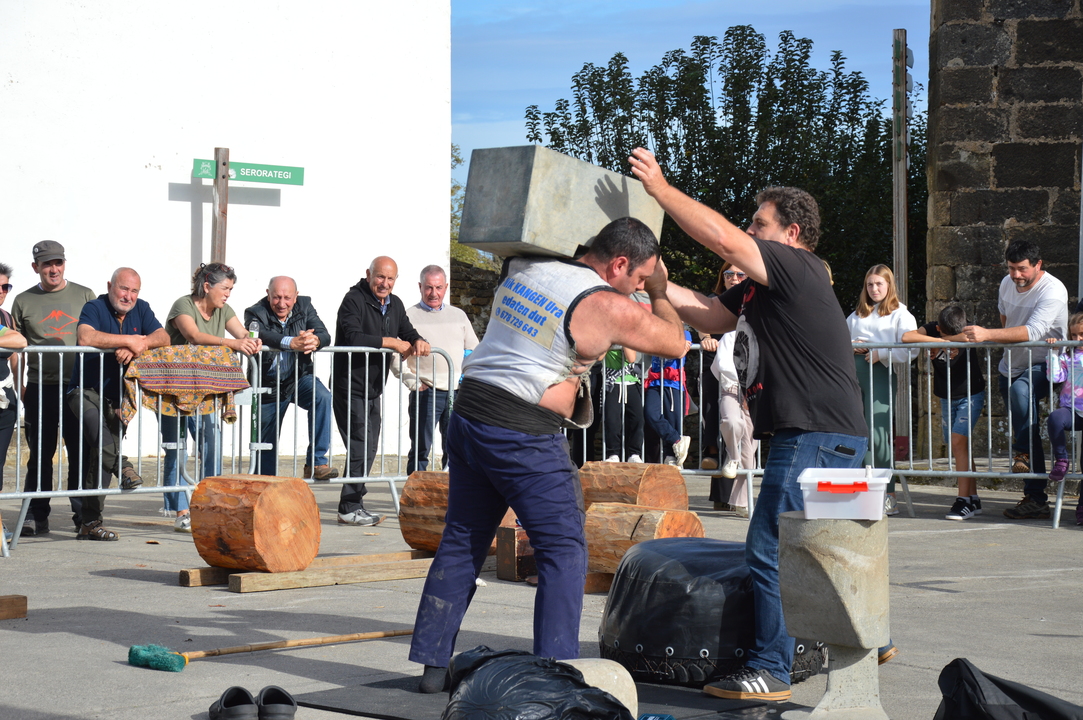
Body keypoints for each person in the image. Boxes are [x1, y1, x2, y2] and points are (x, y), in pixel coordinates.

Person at [409, 216, 687, 693]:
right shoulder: (606, 304)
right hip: (521, 432)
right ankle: (554, 676)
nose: (640, 287)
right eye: (639, 277)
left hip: (469, 415)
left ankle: (432, 666)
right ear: (619, 264)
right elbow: (676, 342)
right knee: (563, 549)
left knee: (463, 539)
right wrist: (661, 291)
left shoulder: (525, 267)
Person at [629, 147, 868, 702]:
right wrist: (657, 287)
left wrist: (661, 190)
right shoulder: (765, 286)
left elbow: (725, 241)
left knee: (771, 547)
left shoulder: (796, 265)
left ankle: (770, 670)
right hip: (835, 435)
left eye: (760, 224)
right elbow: (712, 313)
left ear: (791, 232)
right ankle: (867, 640)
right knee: (826, 549)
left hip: (811, 434)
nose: (750, 231)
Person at [961, 239, 1067, 520]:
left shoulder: (1053, 290)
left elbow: (1032, 332)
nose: (1016, 275)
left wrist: (987, 334)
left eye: (1022, 269)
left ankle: (1022, 456)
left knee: (1021, 393)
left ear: (1038, 265)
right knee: (1026, 427)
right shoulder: (1006, 283)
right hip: (1011, 365)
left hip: (1046, 363)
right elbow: (1006, 318)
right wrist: (1003, 340)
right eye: (1011, 268)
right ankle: (1035, 498)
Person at [64, 268, 170, 540]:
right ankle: (123, 466)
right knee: (102, 439)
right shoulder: (94, 306)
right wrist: (128, 341)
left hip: (118, 399)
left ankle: (90, 523)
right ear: (110, 285)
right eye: (124, 289)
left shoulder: (142, 308)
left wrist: (138, 344)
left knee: (101, 458)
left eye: (134, 291)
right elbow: (86, 337)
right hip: (84, 391)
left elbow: (164, 338)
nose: (128, 296)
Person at [164, 263, 262, 532]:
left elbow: (242, 334)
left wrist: (253, 340)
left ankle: (209, 504)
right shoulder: (183, 305)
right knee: (177, 448)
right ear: (207, 286)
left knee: (212, 441)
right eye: (225, 288)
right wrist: (233, 343)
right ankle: (181, 510)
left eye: (231, 289)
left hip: (205, 391)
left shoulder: (224, 310)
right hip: (175, 390)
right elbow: (193, 335)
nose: (228, 293)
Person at [333, 256, 429, 527]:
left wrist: (418, 340)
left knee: (369, 446)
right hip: (349, 386)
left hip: (373, 388)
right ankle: (349, 507)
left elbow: (407, 330)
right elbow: (353, 336)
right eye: (380, 277)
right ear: (368, 274)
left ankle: (353, 505)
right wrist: (392, 343)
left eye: (390, 278)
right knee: (361, 445)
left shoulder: (395, 303)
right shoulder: (353, 300)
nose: (384, 283)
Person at [11, 241, 96, 537]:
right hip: (40, 388)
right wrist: (21, 387)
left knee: (80, 453)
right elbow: (17, 348)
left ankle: (84, 517)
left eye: (58, 262)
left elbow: (96, 335)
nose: (53, 269)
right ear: (35, 267)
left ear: (64, 264)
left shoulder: (85, 295)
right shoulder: (23, 300)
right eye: (47, 264)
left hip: (77, 388)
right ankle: (36, 516)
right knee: (40, 455)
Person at [244, 276, 336, 480]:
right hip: (267, 384)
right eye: (276, 297)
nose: (282, 303)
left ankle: (316, 463)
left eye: (287, 298)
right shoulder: (254, 312)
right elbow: (260, 335)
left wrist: (314, 340)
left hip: (298, 378)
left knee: (323, 397)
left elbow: (324, 333)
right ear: (268, 294)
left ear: (296, 296)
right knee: (265, 446)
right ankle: (266, 485)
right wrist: (290, 342)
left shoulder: (305, 305)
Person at [902, 305, 987, 520]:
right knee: (959, 445)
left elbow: (967, 337)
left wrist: (945, 341)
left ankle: (963, 501)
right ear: (938, 328)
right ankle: (973, 497)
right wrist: (939, 341)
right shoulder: (933, 329)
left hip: (970, 394)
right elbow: (907, 337)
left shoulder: (967, 330)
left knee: (958, 442)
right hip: (947, 396)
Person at [391, 265, 479, 474]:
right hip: (426, 392)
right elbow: (394, 356)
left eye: (438, 287)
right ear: (420, 287)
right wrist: (411, 381)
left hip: (456, 392)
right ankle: (415, 490)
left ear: (446, 287)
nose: (434, 293)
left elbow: (474, 350)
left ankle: (453, 490)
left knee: (456, 447)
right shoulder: (407, 316)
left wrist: (466, 378)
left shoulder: (459, 315)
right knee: (421, 448)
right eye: (429, 287)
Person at [845, 264, 917, 516]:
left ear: (889, 285)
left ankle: (888, 494)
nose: (874, 289)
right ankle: (860, 492)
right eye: (870, 284)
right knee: (855, 432)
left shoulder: (900, 314)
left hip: (879, 374)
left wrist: (881, 353)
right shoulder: (856, 315)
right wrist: (851, 346)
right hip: (852, 374)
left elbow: (911, 350)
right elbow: (840, 341)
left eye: (879, 284)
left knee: (878, 434)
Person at [710, 263, 758, 514]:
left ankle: (742, 501)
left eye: (740, 274)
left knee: (750, 444)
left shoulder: (757, 325)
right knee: (731, 423)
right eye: (729, 274)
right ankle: (732, 455)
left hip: (754, 390)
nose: (734, 278)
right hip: (731, 387)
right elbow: (724, 363)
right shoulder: (729, 326)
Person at [1044, 312, 1083, 507]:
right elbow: (1055, 377)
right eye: (1074, 335)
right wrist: (1053, 352)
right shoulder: (1068, 356)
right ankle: (1061, 460)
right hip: (1072, 409)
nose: (1077, 339)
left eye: (1082, 335)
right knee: (1055, 418)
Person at [0, 265, 27, 543]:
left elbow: (18, 344)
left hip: (4, 404)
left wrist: (20, 388)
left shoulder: (5, 317)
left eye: (5, 287)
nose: (1, 291)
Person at [643, 329, 692, 465]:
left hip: (672, 383)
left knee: (673, 420)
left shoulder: (684, 333)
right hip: (655, 381)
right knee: (650, 414)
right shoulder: (655, 332)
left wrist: (664, 345)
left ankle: (672, 457)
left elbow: (680, 353)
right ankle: (677, 440)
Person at [601, 345, 644, 463]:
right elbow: (599, 357)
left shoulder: (628, 338)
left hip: (631, 382)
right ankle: (613, 454)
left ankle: (634, 454)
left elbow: (631, 358)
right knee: (612, 420)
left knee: (637, 419)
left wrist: (623, 341)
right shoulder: (607, 338)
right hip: (613, 383)